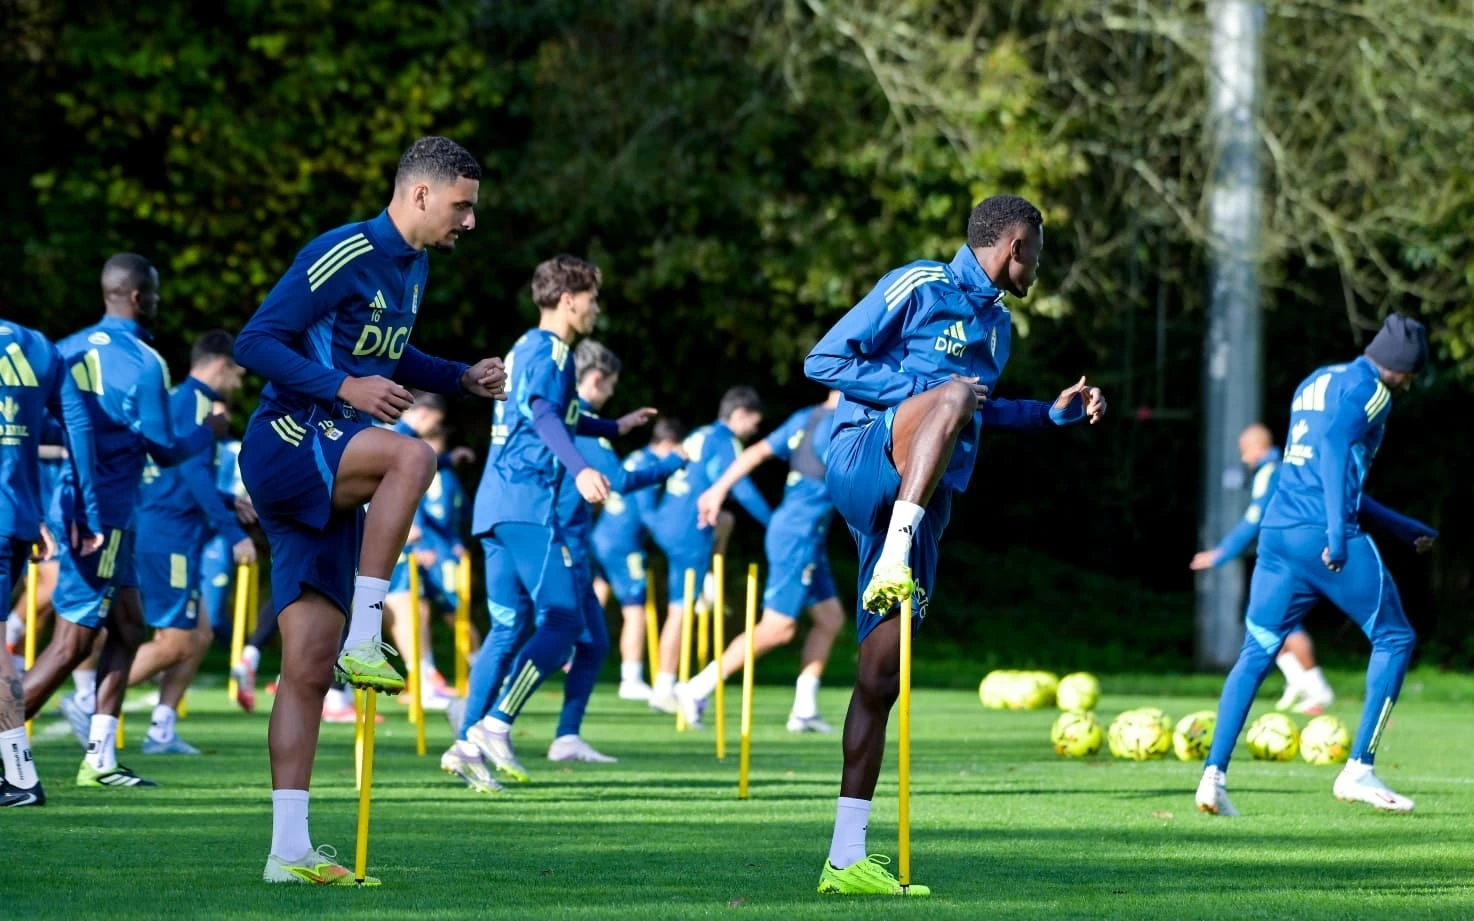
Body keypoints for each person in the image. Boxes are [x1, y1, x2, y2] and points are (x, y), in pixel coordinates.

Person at [803, 194, 1106, 895]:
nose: (1040, 265)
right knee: (948, 397)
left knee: (882, 677)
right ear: (1014, 245)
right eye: (1038, 251)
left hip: (923, 502)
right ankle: (896, 548)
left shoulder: (999, 331)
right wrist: (933, 388)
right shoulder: (918, 284)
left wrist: (1050, 414)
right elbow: (825, 359)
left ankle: (844, 860)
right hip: (862, 459)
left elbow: (980, 407)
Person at [234, 136, 505, 886]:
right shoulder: (342, 250)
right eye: (463, 206)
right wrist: (343, 390)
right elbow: (256, 340)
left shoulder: (411, 267)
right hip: (290, 441)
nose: (470, 222)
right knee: (413, 454)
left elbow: (393, 354)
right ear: (420, 194)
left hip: (333, 460)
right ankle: (367, 634)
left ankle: (287, 851)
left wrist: (459, 377)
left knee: (307, 670)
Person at [1196, 314, 1436, 818]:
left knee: (1256, 652)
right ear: (1400, 367)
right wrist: (1335, 535)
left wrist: (1398, 525)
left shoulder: (1316, 381)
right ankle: (1359, 768)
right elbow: (1331, 450)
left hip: (1278, 535)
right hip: (1322, 534)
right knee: (1396, 638)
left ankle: (1213, 776)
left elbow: (1318, 469)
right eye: (1413, 373)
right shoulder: (1374, 391)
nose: (1411, 382)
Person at [23, 254, 226, 789]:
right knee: (71, 642)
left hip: (81, 503)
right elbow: (162, 448)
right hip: (104, 513)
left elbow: (41, 428)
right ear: (138, 297)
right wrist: (210, 430)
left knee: (130, 625)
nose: (156, 304)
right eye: (154, 295)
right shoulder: (144, 361)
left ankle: (101, 757)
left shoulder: (62, 349)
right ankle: (8, 740)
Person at [458, 261, 656, 788]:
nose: (596, 307)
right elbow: (545, 414)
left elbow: (560, 413)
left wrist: (616, 425)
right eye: (593, 297)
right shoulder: (551, 350)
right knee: (564, 620)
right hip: (527, 503)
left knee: (507, 627)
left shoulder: (528, 347)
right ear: (569, 298)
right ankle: (494, 725)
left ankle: (463, 745)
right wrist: (582, 467)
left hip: (494, 505)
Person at [683, 389, 845, 733]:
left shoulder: (806, 416)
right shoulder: (836, 423)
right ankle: (697, 687)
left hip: (804, 534)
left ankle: (804, 710)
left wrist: (717, 490)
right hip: (797, 535)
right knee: (778, 628)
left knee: (830, 618)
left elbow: (756, 452)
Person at [125, 333, 252, 754]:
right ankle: (90, 701)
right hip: (167, 534)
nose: (239, 381)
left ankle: (161, 729)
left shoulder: (186, 402)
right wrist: (235, 535)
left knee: (197, 637)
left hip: (177, 531)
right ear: (220, 364)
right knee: (176, 641)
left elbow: (181, 476)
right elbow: (194, 476)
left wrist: (230, 502)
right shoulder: (193, 403)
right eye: (238, 371)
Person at [0, 318, 102, 806]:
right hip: (19, 517)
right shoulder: (36, 344)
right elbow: (76, 425)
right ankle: (17, 771)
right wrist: (84, 509)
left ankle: (19, 775)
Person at [1191, 423, 1335, 713]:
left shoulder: (1270, 472)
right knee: (1260, 617)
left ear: (1258, 448)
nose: (1244, 458)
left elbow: (1253, 520)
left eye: (1245, 451)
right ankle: (1298, 680)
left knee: (1285, 620)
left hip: (1290, 554)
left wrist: (1221, 553)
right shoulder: (1282, 469)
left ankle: (1318, 688)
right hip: (1296, 550)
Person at [645, 386, 770, 713]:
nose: (753, 431)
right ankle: (663, 686)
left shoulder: (702, 434)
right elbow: (739, 486)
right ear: (740, 414)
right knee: (680, 610)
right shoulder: (727, 442)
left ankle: (709, 584)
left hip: (668, 518)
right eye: (753, 424)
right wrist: (773, 522)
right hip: (690, 527)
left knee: (724, 520)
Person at [591, 416, 687, 701]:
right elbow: (647, 514)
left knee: (596, 598)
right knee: (635, 610)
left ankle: (575, 655)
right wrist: (673, 543)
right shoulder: (649, 465)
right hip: (624, 544)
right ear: (669, 445)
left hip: (602, 536)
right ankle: (630, 678)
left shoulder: (636, 456)